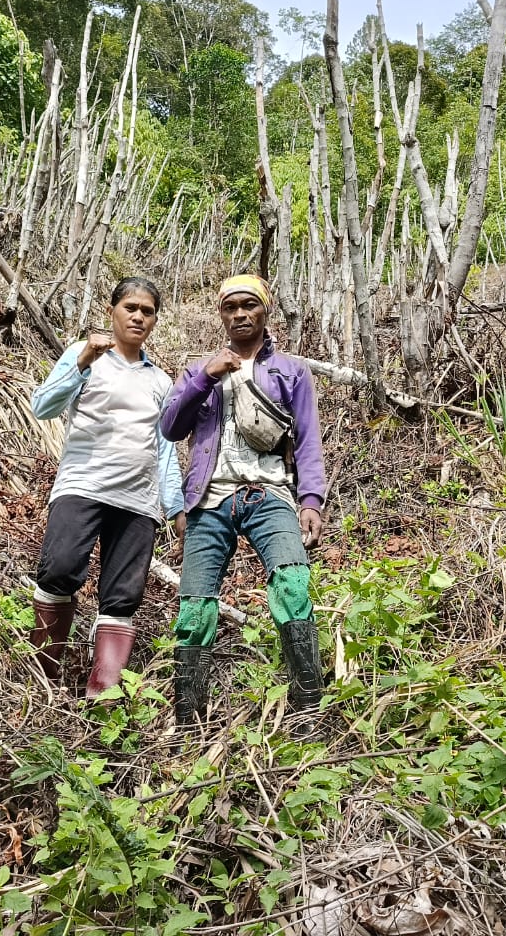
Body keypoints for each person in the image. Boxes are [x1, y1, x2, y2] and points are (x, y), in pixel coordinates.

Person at [161, 273, 326, 734]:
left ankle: (307, 709)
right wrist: (203, 377)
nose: (239, 313)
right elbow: (171, 428)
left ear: (265, 310)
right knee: (195, 609)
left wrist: (310, 500)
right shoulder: (201, 367)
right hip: (208, 500)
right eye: (230, 306)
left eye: (248, 305)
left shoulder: (291, 371)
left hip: (270, 495)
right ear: (221, 313)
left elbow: (309, 439)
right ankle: (189, 723)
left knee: (293, 584)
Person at [29, 276, 185, 697]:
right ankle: (44, 678)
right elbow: (43, 405)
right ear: (113, 310)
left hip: (138, 500)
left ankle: (103, 694)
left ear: (155, 321)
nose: (138, 316)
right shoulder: (85, 357)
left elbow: (165, 449)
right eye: (130, 307)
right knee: (59, 569)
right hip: (83, 484)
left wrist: (176, 507)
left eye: (147, 311)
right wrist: (81, 360)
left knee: (122, 596)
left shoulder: (160, 381)